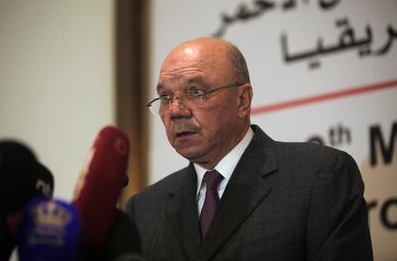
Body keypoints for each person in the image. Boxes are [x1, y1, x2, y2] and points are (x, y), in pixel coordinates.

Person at [125, 37, 373, 260]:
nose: (176, 110)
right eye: (166, 97)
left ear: (242, 100)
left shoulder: (318, 176)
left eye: (196, 91)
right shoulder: (144, 209)